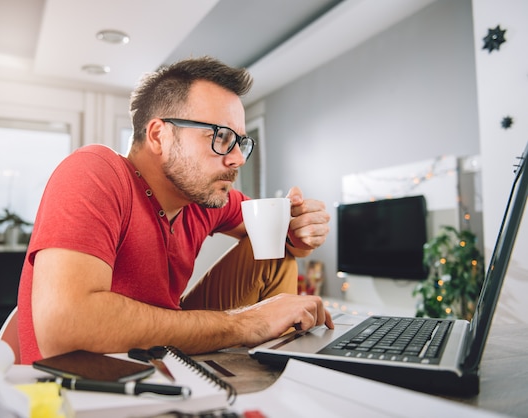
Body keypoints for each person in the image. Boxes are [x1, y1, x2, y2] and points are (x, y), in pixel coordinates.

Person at [17, 56, 333, 365]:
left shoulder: (201, 197)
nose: (237, 158)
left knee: (275, 255)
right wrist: (248, 323)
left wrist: (301, 229)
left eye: (240, 142)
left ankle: (281, 366)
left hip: (160, 358)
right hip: (80, 386)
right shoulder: (96, 171)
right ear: (159, 135)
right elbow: (65, 329)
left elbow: (282, 235)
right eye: (220, 137)